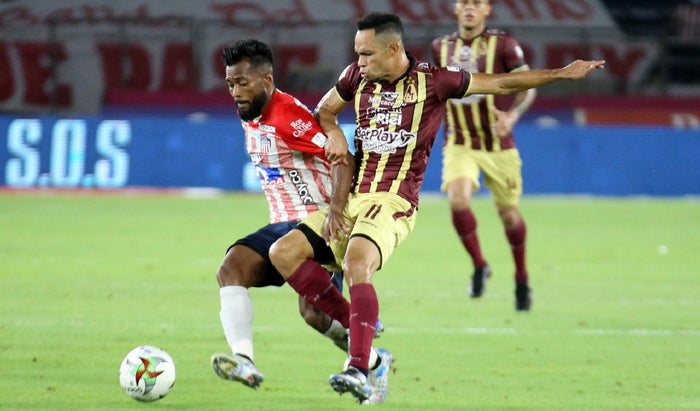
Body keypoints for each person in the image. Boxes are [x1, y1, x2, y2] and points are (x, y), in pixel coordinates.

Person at [269, 12, 604, 404]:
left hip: (393, 201)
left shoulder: (435, 82)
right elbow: (324, 111)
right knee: (283, 252)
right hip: (353, 198)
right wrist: (334, 135)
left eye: (367, 54)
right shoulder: (355, 77)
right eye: (357, 53)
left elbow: (501, 82)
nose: (359, 61)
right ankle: (372, 352)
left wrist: (561, 74)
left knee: (358, 262)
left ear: (393, 49)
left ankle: (358, 368)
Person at [210, 39, 388, 397]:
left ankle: (368, 354)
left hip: (316, 224)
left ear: (266, 79)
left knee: (315, 312)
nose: (236, 93)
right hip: (282, 224)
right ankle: (244, 360)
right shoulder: (252, 112)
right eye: (230, 84)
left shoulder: (287, 116)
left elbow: (343, 157)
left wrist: (336, 211)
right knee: (233, 270)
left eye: (243, 83)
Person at [431, 0, 536, 310]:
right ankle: (479, 264)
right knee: (458, 199)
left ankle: (521, 276)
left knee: (509, 215)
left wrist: (512, 116)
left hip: (498, 144)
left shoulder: (504, 44)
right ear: (455, 8)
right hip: (459, 140)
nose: (469, 8)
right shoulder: (440, 47)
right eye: (464, 2)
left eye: (476, 3)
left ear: (487, 9)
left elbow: (528, 86)